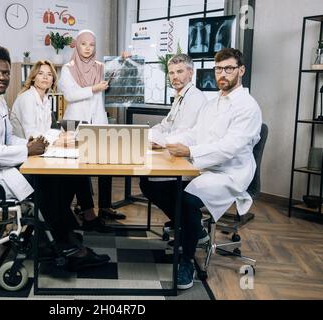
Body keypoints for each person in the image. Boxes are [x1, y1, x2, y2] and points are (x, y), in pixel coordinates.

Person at [0, 45, 110, 271]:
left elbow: (7, 138)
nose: (1, 77)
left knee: (56, 180)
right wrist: (27, 150)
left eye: (5, 73)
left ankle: (59, 237)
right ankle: (63, 244)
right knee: (47, 183)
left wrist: (29, 145)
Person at [164, 48, 262, 290]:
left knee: (187, 199)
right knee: (163, 183)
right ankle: (195, 231)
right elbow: (196, 133)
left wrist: (189, 152)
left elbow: (229, 148)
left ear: (241, 71)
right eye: (219, 69)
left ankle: (187, 260)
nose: (223, 74)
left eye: (228, 69)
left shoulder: (248, 107)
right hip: (207, 166)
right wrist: (167, 142)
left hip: (231, 173)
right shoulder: (214, 102)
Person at [10, 59, 111, 233]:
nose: (45, 77)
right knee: (70, 174)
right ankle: (67, 219)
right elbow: (32, 136)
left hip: (38, 153)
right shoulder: (27, 99)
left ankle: (73, 217)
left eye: (49, 75)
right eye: (41, 73)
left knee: (76, 168)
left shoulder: (46, 99)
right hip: (26, 158)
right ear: (33, 77)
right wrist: (58, 139)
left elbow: (46, 130)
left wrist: (61, 135)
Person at [139, 53, 208, 245]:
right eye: (171, 73)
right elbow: (166, 124)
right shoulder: (180, 97)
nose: (174, 76)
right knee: (147, 181)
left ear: (190, 73)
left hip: (189, 160)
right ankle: (185, 223)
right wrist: (152, 134)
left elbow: (187, 134)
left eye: (179, 71)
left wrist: (161, 142)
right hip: (176, 154)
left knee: (150, 183)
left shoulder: (194, 98)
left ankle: (194, 229)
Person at [58, 29, 126, 221]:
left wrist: (122, 60)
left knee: (107, 165)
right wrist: (94, 88)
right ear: (77, 44)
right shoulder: (67, 68)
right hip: (74, 123)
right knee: (79, 168)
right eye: (83, 44)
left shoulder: (101, 66)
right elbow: (70, 95)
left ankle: (106, 207)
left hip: (98, 121)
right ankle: (87, 209)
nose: (88, 48)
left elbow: (118, 77)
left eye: (91, 44)